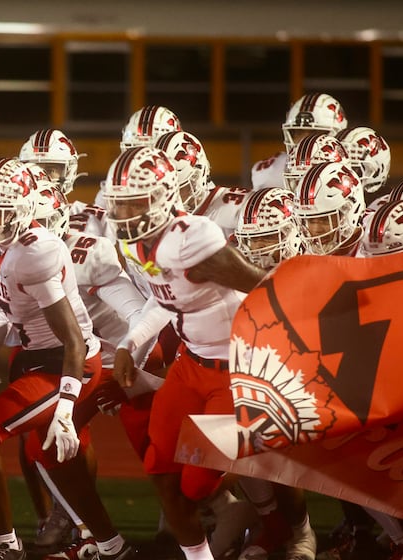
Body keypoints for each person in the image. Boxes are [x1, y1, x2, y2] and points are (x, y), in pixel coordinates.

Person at [0, 158, 135, 560]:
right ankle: (111, 545)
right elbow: (4, 311)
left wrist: (68, 409)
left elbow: (73, 340)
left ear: (21, 211)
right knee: (57, 463)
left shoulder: (37, 252)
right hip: (36, 359)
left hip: (65, 364)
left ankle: (7, 545)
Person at [101, 147, 269, 560]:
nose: (122, 211)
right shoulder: (139, 243)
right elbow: (165, 297)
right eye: (118, 202)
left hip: (233, 370)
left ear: (161, 197)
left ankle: (253, 510)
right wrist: (130, 342)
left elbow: (262, 286)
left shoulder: (190, 237)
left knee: (195, 485)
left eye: (133, 201)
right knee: (160, 470)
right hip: (188, 364)